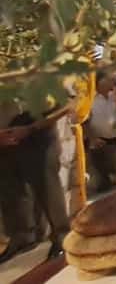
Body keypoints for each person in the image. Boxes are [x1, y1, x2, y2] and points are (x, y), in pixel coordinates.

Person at [0, 98, 72, 262]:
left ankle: (62, 237)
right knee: (10, 192)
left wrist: (30, 128)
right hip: (3, 141)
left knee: (48, 188)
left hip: (38, 134)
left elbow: (67, 104)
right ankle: (21, 238)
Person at [86, 69, 116, 192]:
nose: (113, 82)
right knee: (102, 181)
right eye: (109, 79)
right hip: (98, 143)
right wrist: (92, 138)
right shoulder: (89, 99)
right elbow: (84, 121)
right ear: (99, 81)